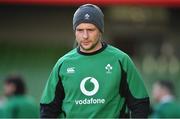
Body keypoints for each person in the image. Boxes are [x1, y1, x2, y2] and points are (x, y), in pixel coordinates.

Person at [40, 4, 150, 118]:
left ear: (100, 31)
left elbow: (140, 103)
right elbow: (48, 108)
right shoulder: (63, 64)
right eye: (80, 30)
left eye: (90, 30)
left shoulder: (121, 60)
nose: (85, 36)